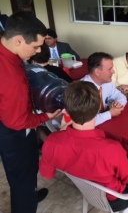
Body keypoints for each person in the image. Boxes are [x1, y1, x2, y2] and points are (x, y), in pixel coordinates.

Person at [39, 81, 128, 212]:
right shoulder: (110, 148)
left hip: (88, 193)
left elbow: (47, 174)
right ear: (98, 108)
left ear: (66, 111)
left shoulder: (52, 141)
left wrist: (62, 130)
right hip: (118, 199)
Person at [0, 11, 61, 213]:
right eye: (35, 46)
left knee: (30, 167)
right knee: (21, 177)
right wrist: (46, 117)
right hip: (13, 132)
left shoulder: (9, 51)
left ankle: (31, 192)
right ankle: (26, 201)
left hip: (16, 119)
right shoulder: (10, 79)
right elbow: (16, 122)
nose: (37, 52)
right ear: (18, 40)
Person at [81, 52, 127, 126]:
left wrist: (118, 104)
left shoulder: (107, 83)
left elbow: (121, 96)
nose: (113, 72)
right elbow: (85, 121)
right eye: (110, 69)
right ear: (97, 71)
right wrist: (110, 114)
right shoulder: (81, 90)